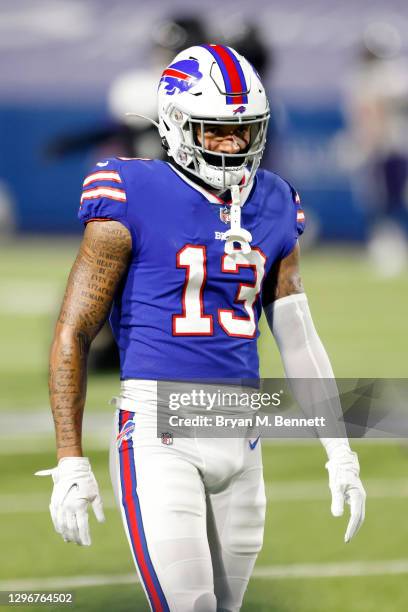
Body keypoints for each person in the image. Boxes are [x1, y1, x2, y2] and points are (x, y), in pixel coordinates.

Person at [36, 44, 366, 612]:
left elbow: (298, 336)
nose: (233, 144)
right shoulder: (129, 192)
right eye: (215, 129)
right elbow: (73, 330)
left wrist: (341, 452)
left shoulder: (275, 201)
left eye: (244, 130)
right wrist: (70, 457)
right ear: (177, 123)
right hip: (160, 431)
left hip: (244, 430)